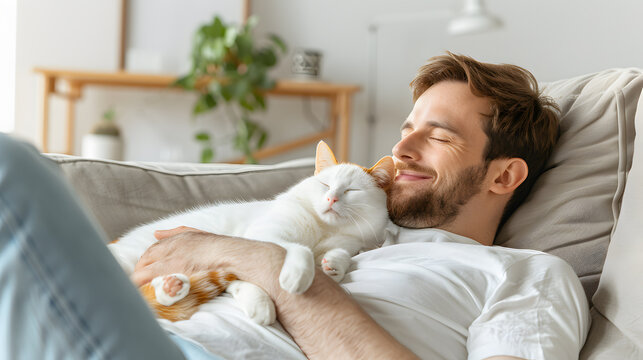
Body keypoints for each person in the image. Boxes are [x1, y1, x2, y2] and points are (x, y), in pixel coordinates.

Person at [0, 53, 589, 360]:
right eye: (405, 128)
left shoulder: (527, 276)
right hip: (136, 333)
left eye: (437, 135)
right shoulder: (350, 224)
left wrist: (258, 263)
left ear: (504, 174)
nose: (400, 148)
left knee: (10, 175)